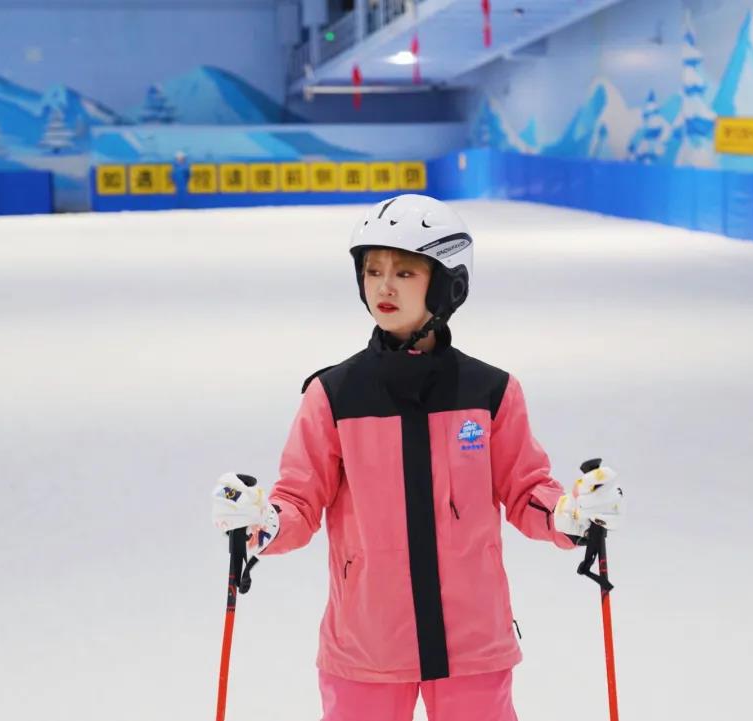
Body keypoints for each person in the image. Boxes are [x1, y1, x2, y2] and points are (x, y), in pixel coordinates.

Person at [212, 194, 623, 721]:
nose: (384, 286)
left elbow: (526, 490)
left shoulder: (490, 391)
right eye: (373, 271)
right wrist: (262, 521)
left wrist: (572, 515)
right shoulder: (334, 395)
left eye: (405, 272)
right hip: (368, 643)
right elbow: (299, 499)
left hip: (472, 642)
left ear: (448, 284)